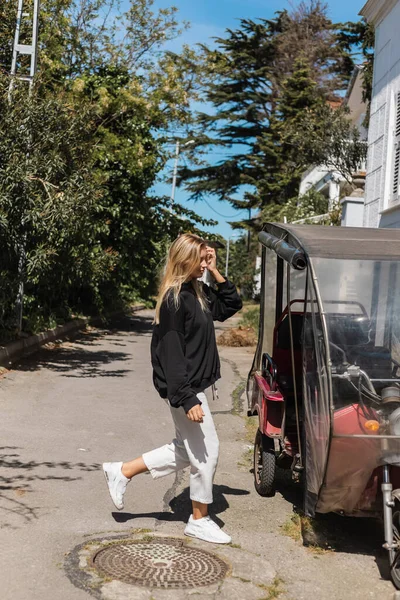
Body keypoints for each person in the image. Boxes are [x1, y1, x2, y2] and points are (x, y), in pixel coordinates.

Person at [103, 233, 242, 544]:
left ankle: (122, 471)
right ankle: (199, 519)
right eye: (201, 259)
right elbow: (171, 354)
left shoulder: (198, 291)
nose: (205, 263)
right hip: (187, 389)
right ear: (184, 260)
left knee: (186, 450)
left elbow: (231, 304)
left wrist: (216, 271)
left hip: (194, 387)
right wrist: (186, 397)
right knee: (207, 453)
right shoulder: (174, 299)